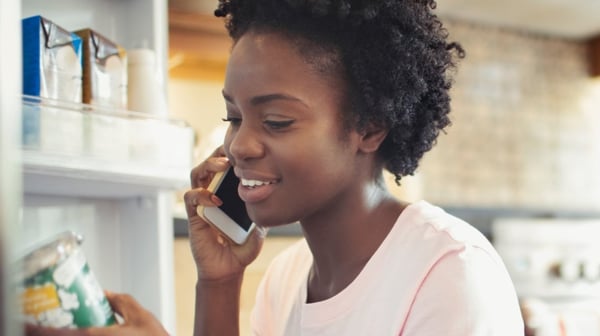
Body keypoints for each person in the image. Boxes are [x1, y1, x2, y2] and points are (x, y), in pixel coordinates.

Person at [26, 0, 525, 335]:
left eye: (277, 120)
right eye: (234, 117)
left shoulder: (450, 273)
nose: (239, 144)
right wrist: (218, 285)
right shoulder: (286, 277)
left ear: (370, 126)